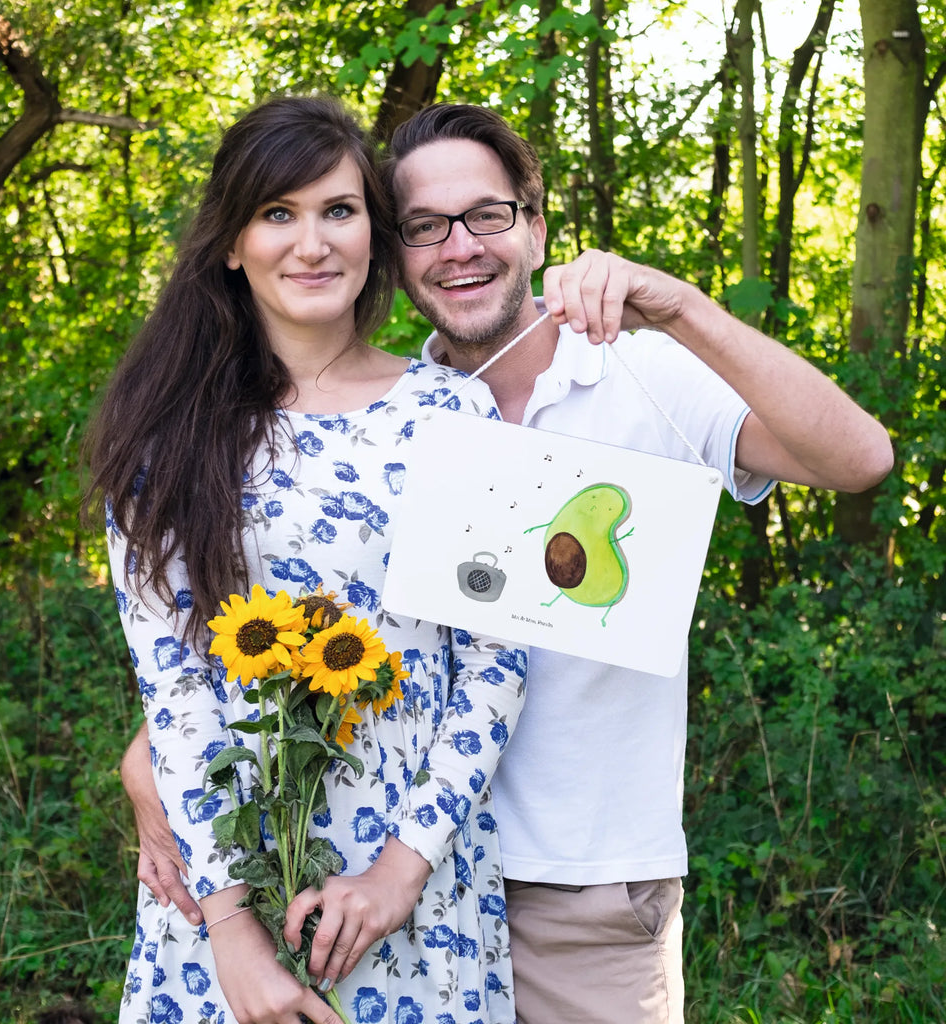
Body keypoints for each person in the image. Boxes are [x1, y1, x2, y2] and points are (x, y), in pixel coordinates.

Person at [123, 102, 894, 1023]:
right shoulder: (385, 416)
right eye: (424, 227)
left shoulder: (634, 373)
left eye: (486, 215)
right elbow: (266, 630)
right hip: (343, 874)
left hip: (572, 887)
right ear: (396, 250)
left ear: (534, 225)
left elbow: (859, 461)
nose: (459, 247)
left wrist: (681, 306)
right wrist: (156, 768)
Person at [84, 96, 531, 1024]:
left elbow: (496, 661)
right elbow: (175, 691)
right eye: (277, 214)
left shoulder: (454, 415)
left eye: (339, 210)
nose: (313, 243)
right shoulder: (167, 439)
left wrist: (400, 873)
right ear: (231, 244)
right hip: (224, 885)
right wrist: (233, 937)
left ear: (374, 229)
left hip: (414, 886)